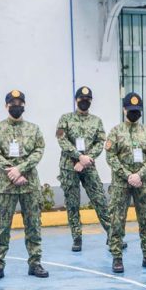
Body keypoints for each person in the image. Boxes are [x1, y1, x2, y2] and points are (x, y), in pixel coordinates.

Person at [0, 90, 48, 282]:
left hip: (29, 184)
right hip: (5, 186)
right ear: (6, 106)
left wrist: (20, 169)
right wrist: (12, 173)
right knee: (2, 227)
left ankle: (35, 263)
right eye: (12, 103)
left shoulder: (34, 129)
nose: (16, 106)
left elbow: (39, 151)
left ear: (24, 105)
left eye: (19, 103)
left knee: (33, 225)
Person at [105, 92, 146, 273]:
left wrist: (140, 174)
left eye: (137, 111)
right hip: (121, 183)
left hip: (143, 183)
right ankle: (117, 257)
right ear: (124, 110)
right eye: (131, 110)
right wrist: (128, 175)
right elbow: (110, 156)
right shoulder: (115, 132)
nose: (134, 113)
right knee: (117, 220)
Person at [56, 86, 112, 252]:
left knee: (100, 199)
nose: (84, 102)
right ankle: (77, 237)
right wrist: (78, 156)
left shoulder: (96, 121)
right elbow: (62, 140)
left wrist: (87, 159)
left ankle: (112, 234)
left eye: (88, 100)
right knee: (72, 203)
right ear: (76, 100)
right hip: (69, 167)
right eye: (82, 99)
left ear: (91, 101)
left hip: (88, 165)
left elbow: (100, 142)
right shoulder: (65, 119)